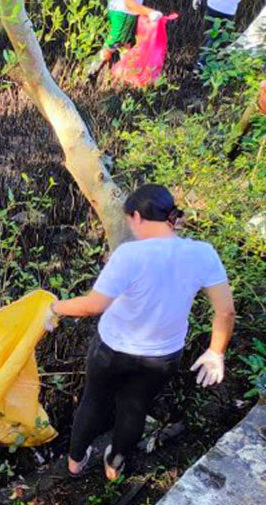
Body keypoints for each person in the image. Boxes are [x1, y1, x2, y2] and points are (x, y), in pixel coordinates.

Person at [50, 185, 235, 481]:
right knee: (134, 407)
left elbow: (93, 305)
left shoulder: (129, 255)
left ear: (136, 216)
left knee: (94, 401)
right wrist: (216, 352)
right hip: (162, 356)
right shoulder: (203, 254)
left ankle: (75, 463)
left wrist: (55, 307)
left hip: (111, 351)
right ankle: (114, 464)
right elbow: (225, 311)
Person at [87, 0, 163, 80]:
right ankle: (89, 73)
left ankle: (126, 75)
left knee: (126, 45)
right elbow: (130, 3)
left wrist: (116, 0)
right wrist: (151, 12)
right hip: (124, 15)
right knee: (111, 44)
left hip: (115, 10)